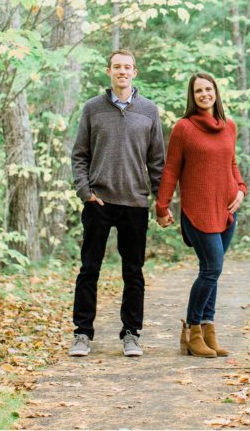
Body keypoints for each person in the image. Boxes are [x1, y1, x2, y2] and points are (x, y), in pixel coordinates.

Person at [69, 48, 165, 358]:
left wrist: (160, 202)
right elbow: (79, 155)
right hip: (99, 200)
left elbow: (157, 161)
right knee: (89, 269)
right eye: (116, 67)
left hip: (135, 204)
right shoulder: (92, 109)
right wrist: (86, 192)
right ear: (109, 71)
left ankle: (131, 333)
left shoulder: (149, 111)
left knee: (133, 272)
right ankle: (83, 333)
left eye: (127, 67)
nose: (122, 71)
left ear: (135, 72)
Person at [155, 72, 247, 358]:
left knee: (213, 272)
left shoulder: (228, 125)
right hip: (198, 211)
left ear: (216, 92)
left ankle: (208, 330)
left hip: (226, 210)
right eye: (198, 91)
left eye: (208, 89)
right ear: (192, 96)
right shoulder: (183, 128)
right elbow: (171, 169)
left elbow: (231, 162)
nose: (204, 94)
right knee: (211, 269)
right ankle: (192, 330)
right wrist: (162, 205)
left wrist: (241, 190)